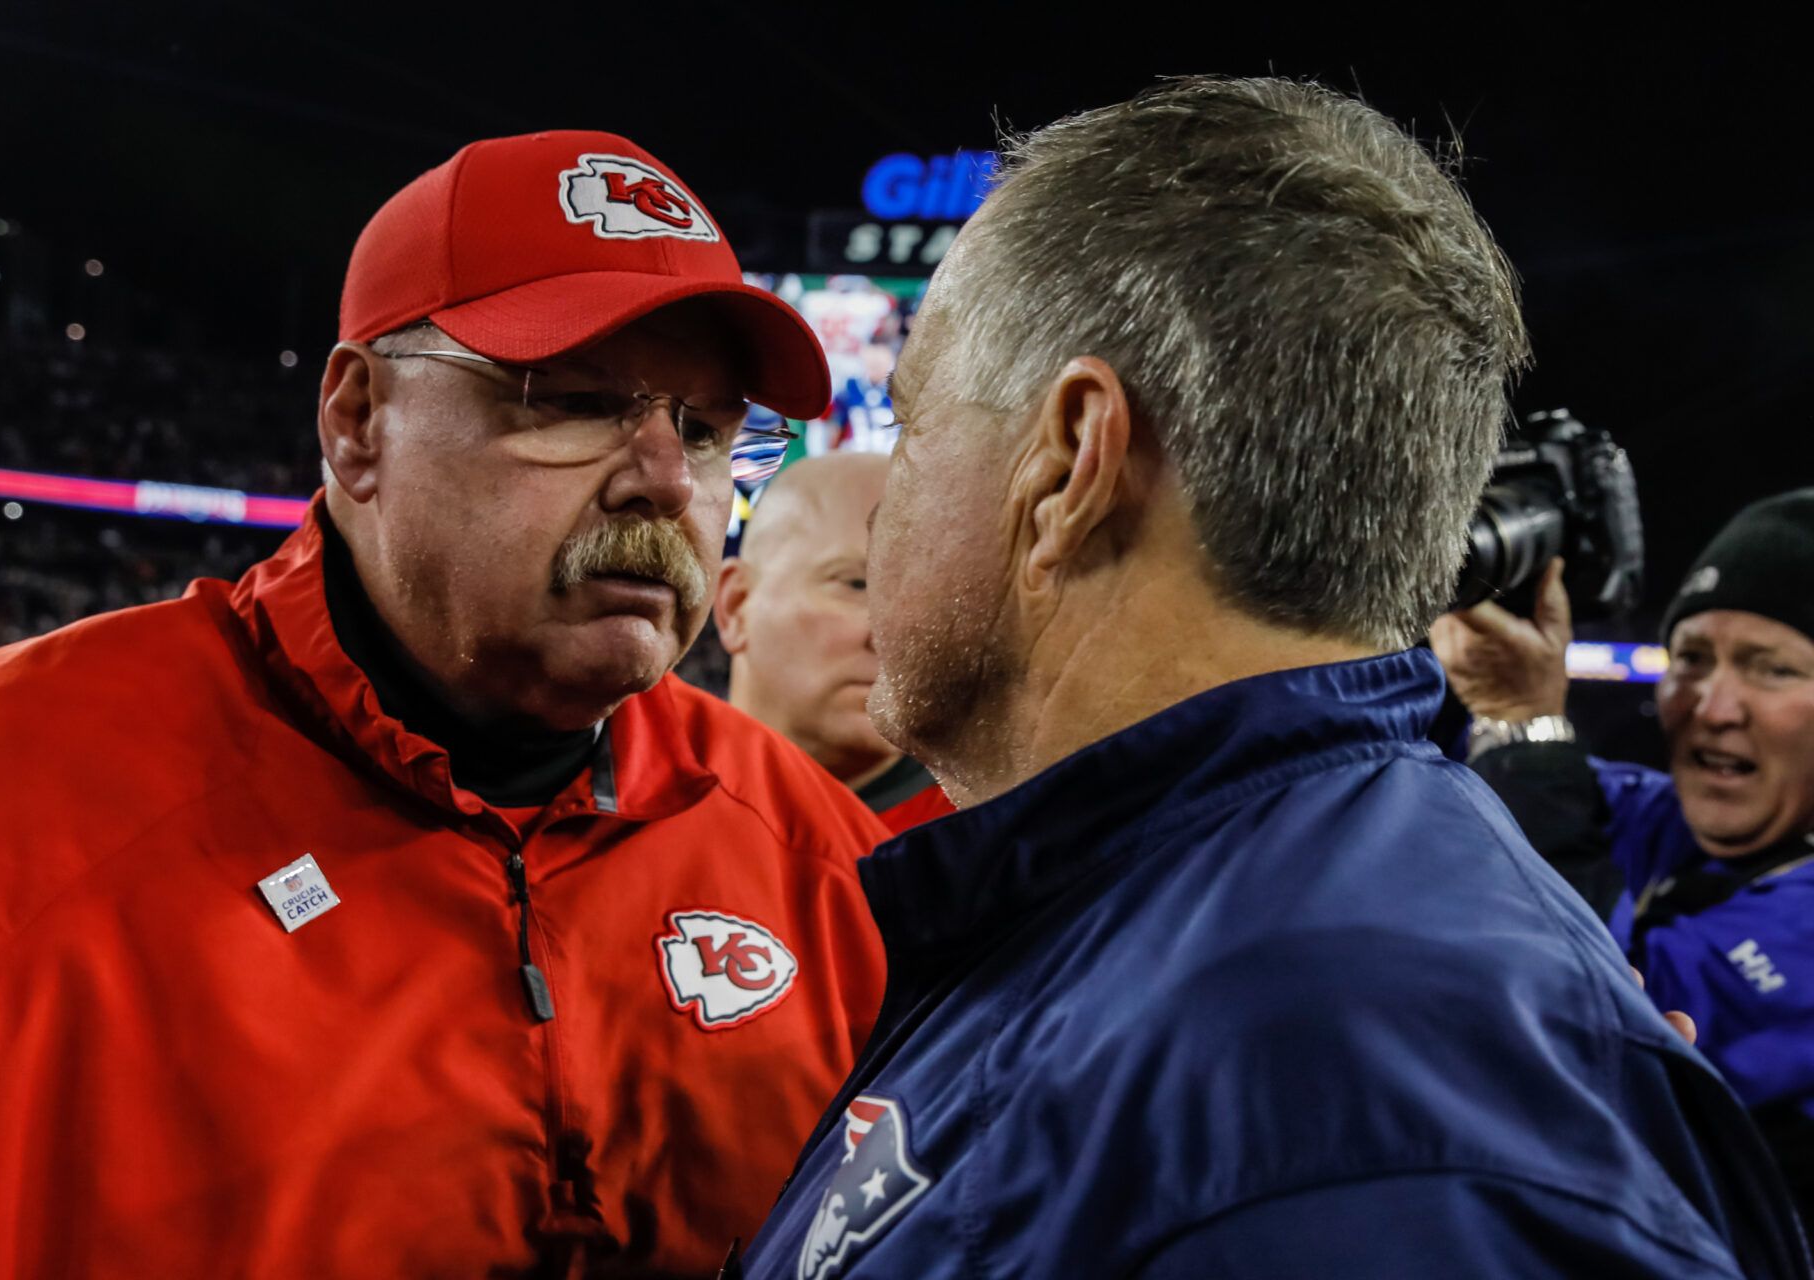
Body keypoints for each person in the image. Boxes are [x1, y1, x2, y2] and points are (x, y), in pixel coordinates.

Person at [740, 78, 1811, 1280]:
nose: (886, 522)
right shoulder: (1200, 927)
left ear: (1071, 463)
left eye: (914, 426)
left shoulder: (1352, 1096)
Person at [0, 130, 890, 1279]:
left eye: (708, 430)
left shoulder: (822, 868)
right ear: (357, 420)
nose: (668, 479)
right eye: (573, 399)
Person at [1432, 489, 1814, 1226]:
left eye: (1771, 670)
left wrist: (1522, 724)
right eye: (1693, 658)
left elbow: (1593, 1030)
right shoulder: (1646, 808)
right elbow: (1440, 795)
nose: (1713, 704)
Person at [712, 454, 953, 832]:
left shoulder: (1003, 845)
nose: (900, 638)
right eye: (856, 584)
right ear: (736, 605)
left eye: (929, 599)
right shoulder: (620, 794)